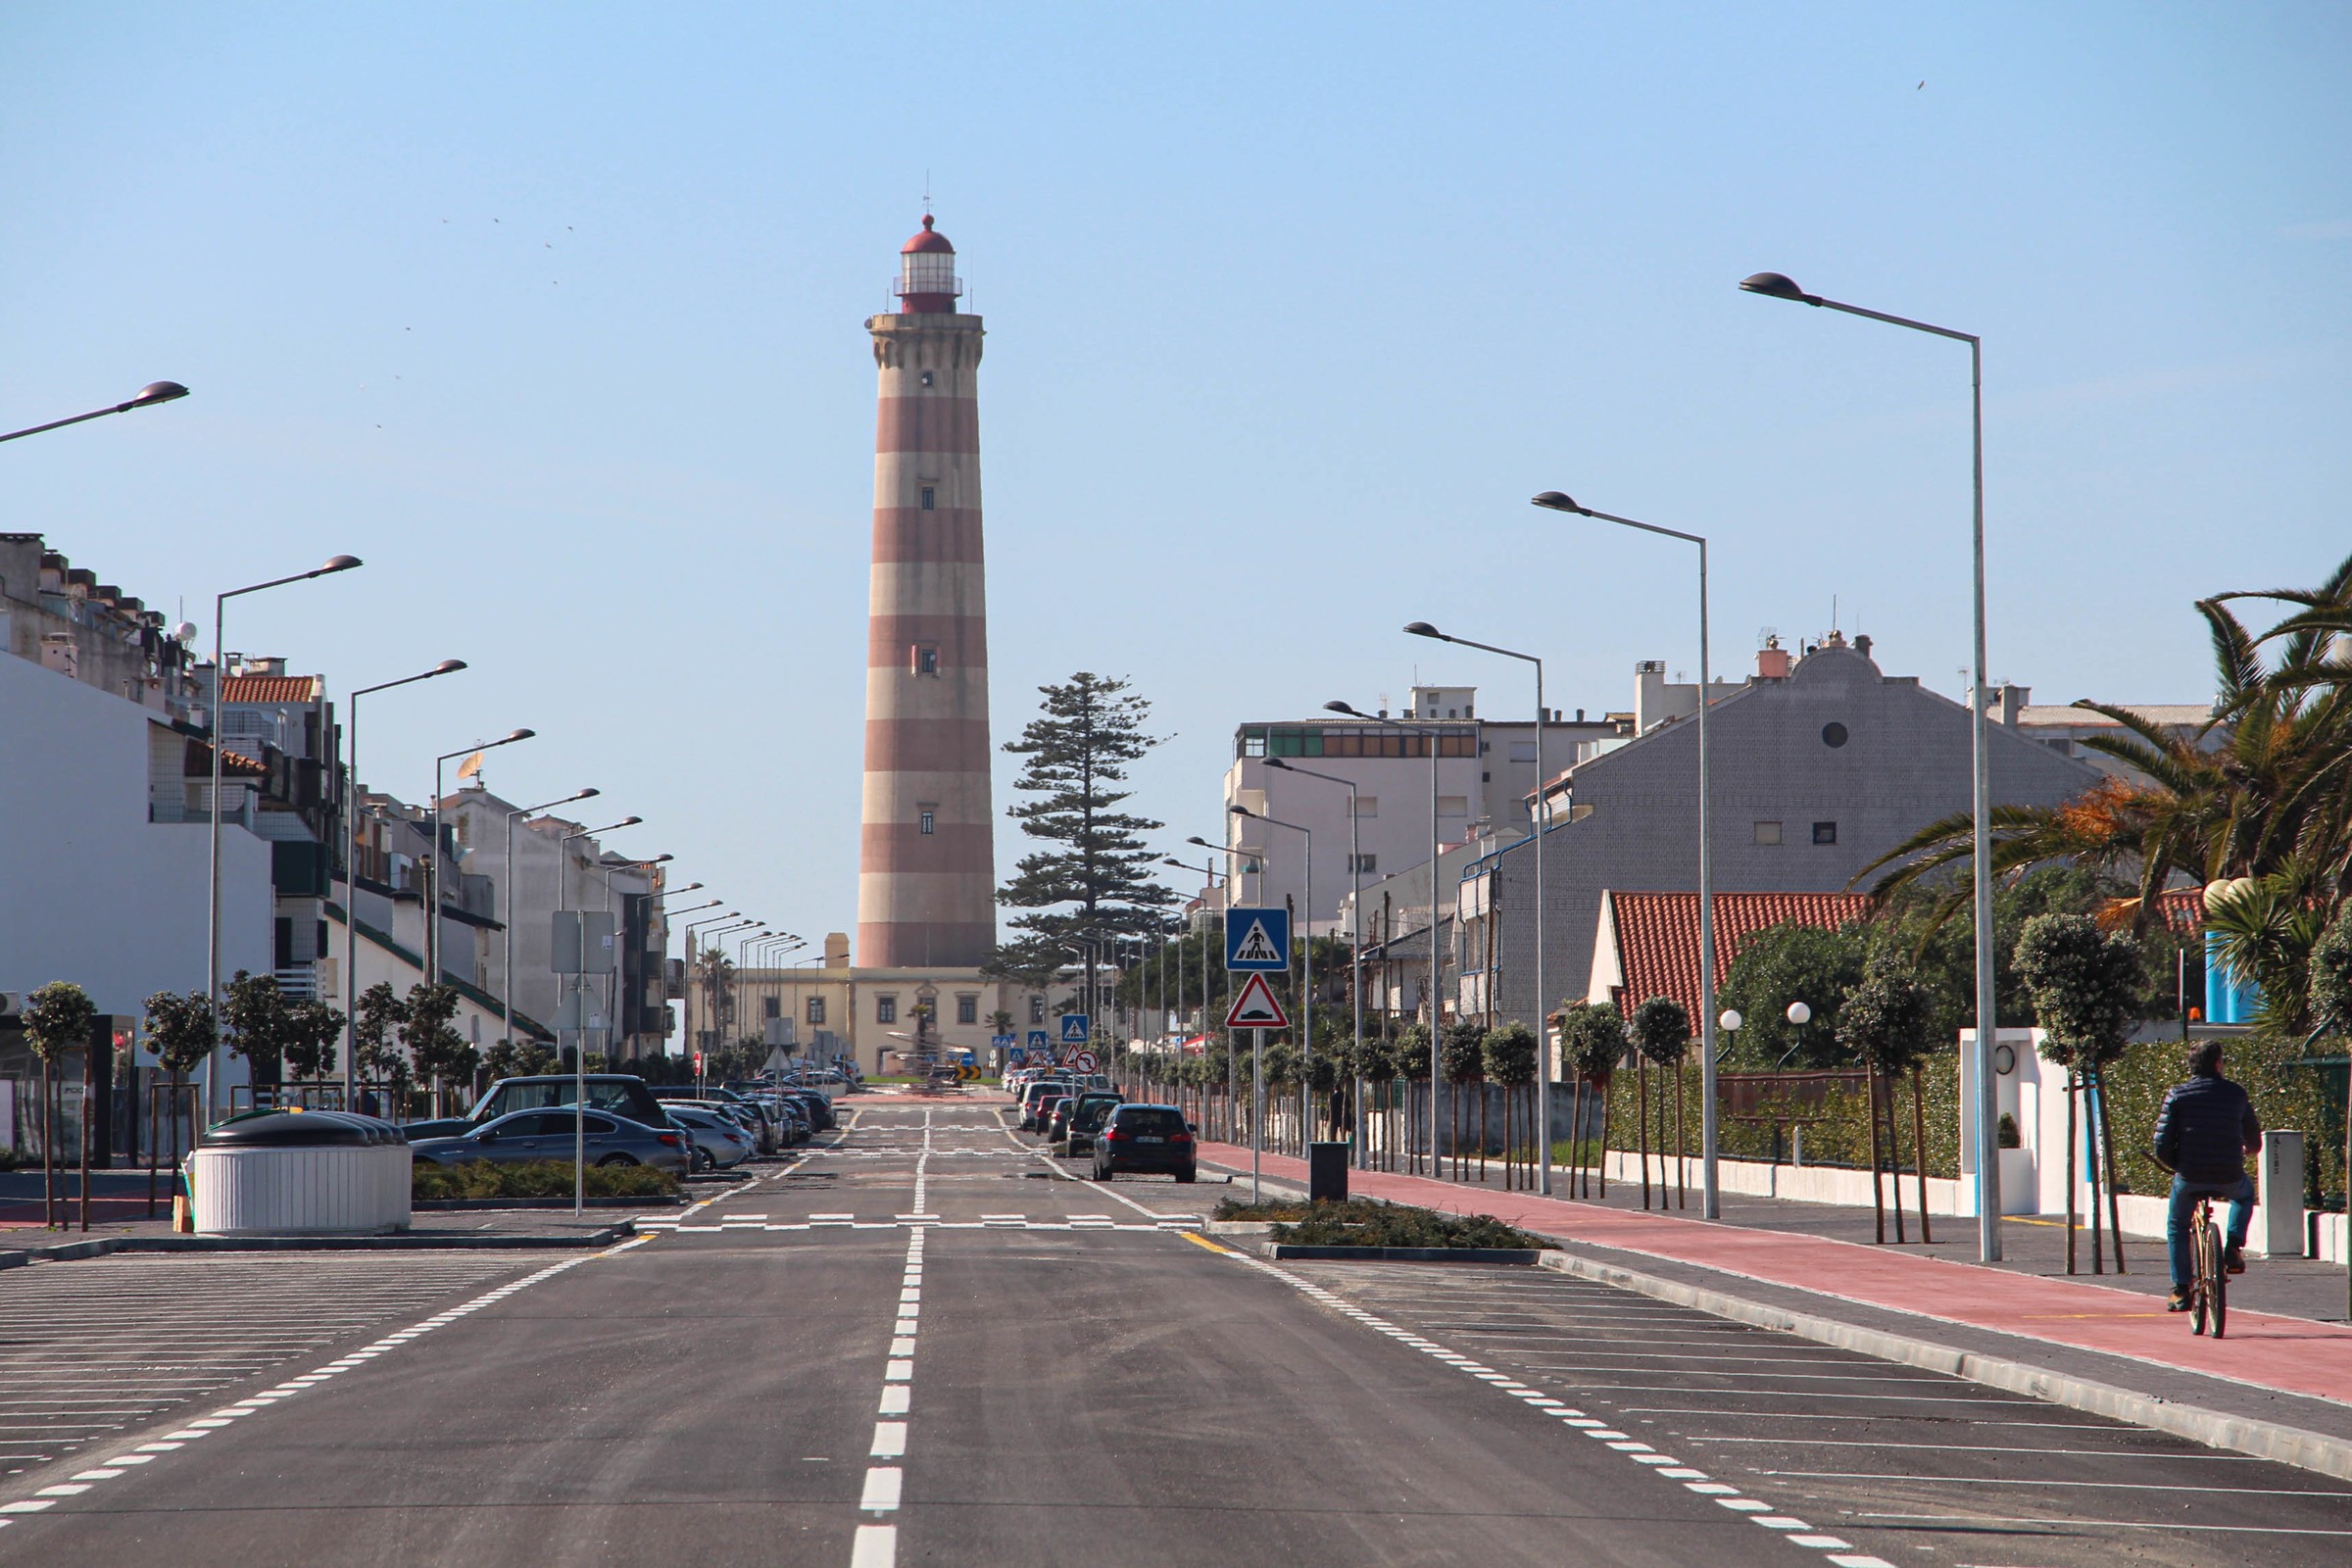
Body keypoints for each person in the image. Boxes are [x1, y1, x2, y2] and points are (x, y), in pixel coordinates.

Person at [2150, 1039, 2263, 1311]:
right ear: (2217, 1064)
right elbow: (2254, 1139)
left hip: (2189, 1175)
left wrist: (2178, 1165)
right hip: (2229, 1172)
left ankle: (2180, 1289)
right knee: (2244, 1195)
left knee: (2177, 1225)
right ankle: (2234, 1247)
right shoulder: (2236, 1094)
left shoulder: (2177, 1095)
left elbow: (2161, 1144)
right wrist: (2248, 1150)